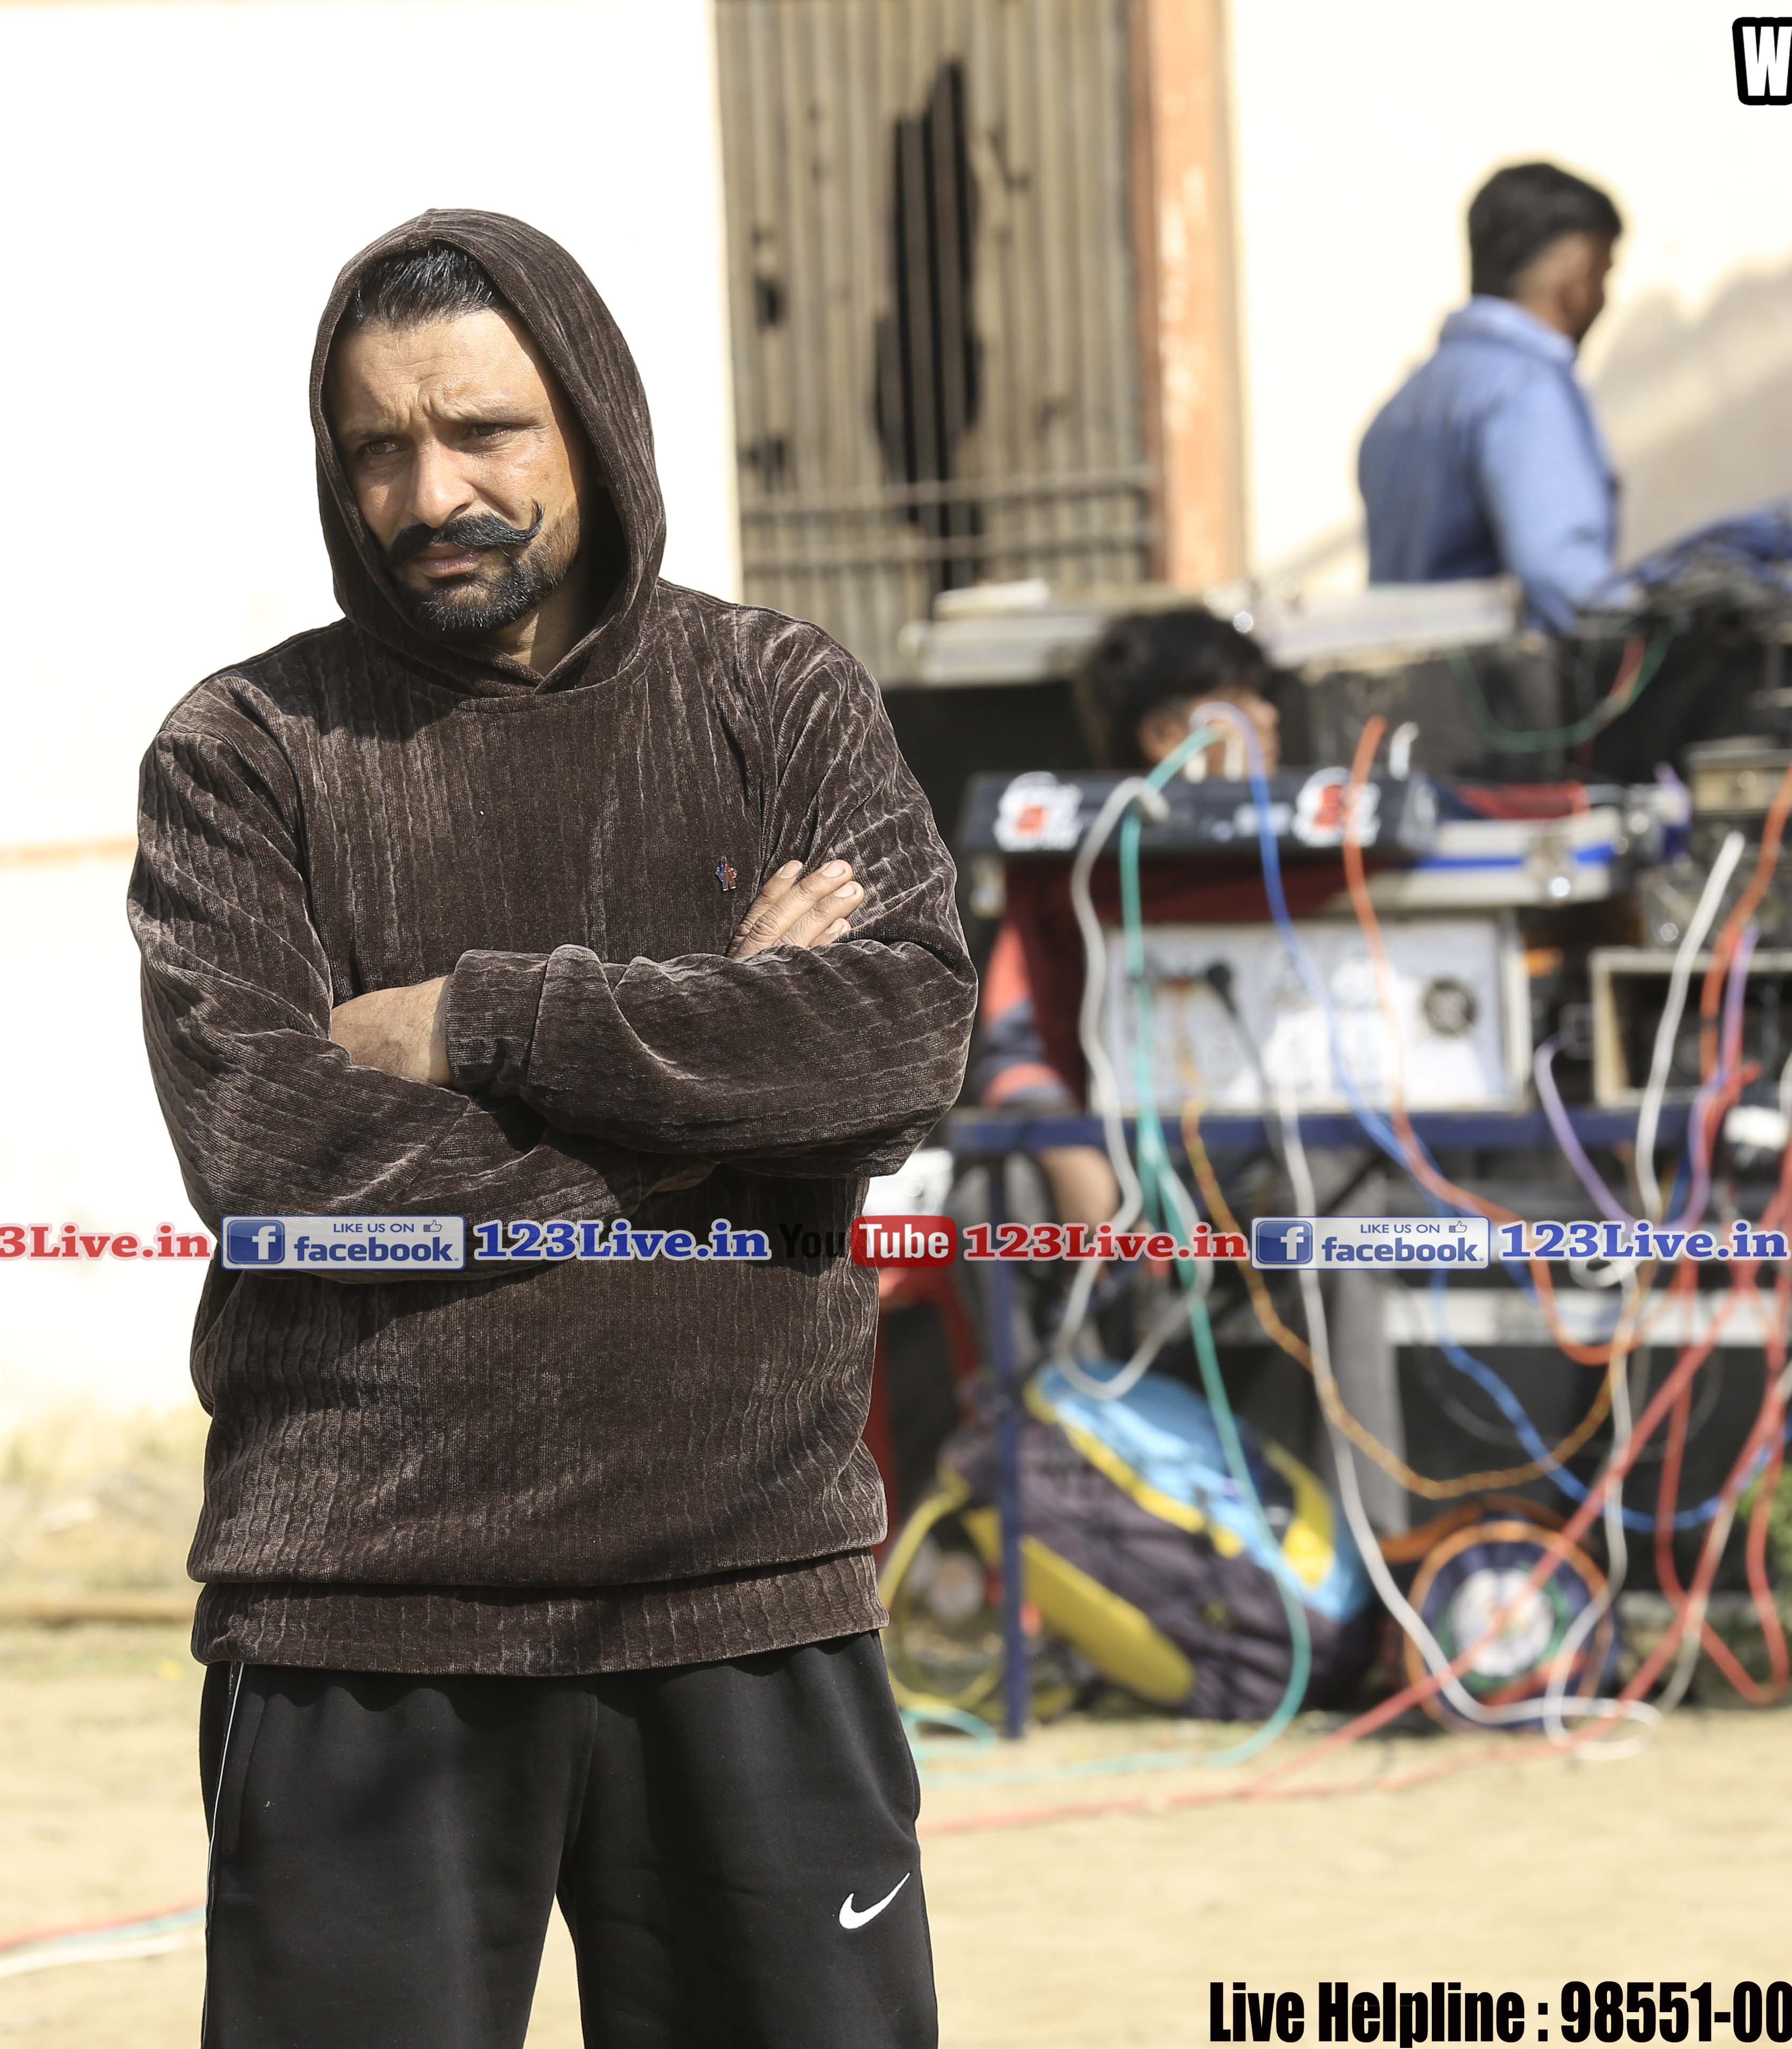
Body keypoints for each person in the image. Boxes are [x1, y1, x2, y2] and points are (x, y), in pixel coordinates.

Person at [130, 213, 974, 2046]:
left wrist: (478, 1021)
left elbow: (899, 1045)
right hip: (365, 1613)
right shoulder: (247, 751)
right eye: (378, 447)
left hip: (748, 1584)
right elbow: (276, 1169)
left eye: (485, 432)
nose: (431, 493)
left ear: (591, 420)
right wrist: (723, 1081)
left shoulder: (776, 697)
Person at [976, 608, 1285, 1229]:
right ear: (1167, 736)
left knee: (1338, 1187)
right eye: (1240, 702)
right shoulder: (1070, 883)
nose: (1270, 717)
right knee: (994, 1204)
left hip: (1276, 1155)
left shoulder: (1314, 871)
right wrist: (1067, 1151)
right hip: (1116, 1158)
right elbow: (1014, 1049)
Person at [1358, 161, 1624, 635]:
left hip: (1408, 673)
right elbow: (1562, 576)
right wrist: (1653, 631)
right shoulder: (1525, 390)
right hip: (1497, 678)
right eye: (1604, 275)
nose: (1604, 299)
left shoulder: (1405, 401)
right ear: (1578, 275)